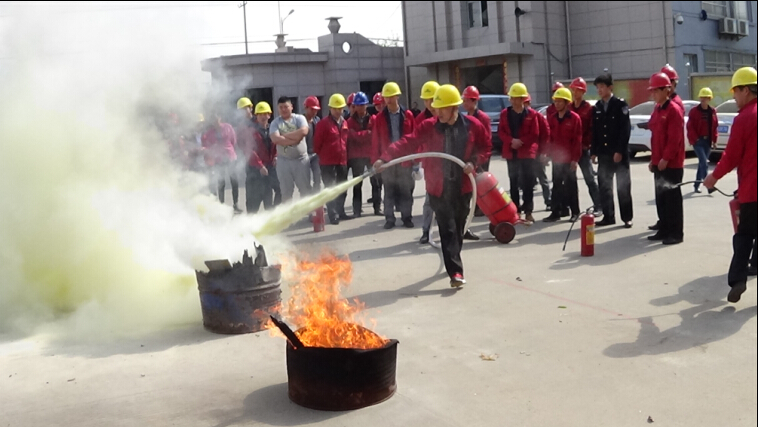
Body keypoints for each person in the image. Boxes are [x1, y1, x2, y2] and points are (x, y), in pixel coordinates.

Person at [373, 84, 491, 287]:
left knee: (459, 227)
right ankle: (455, 272)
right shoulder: (429, 126)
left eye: (442, 108)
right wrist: (385, 158)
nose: (437, 112)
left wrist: (474, 162)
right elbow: (408, 142)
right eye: (436, 108)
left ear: (454, 107)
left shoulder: (473, 126)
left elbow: (485, 147)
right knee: (447, 229)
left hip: (462, 186)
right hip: (438, 187)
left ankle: (454, 259)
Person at [704, 66, 757, 303]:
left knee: (744, 235)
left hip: (753, 191)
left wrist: (713, 177)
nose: (734, 96)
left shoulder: (745, 118)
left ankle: (738, 280)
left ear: (745, 90)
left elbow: (732, 156)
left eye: (735, 91)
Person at [590, 73, 633, 228]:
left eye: (602, 86)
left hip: (619, 153)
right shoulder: (597, 107)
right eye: (597, 87)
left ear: (610, 87)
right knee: (604, 186)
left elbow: (625, 130)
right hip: (604, 153)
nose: (599, 90)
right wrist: (593, 151)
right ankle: (608, 216)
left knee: (623, 187)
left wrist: (619, 151)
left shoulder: (620, 105)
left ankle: (627, 217)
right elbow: (595, 131)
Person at [371, 82, 416, 229]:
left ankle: (406, 217)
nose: (388, 100)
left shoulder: (408, 115)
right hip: (387, 160)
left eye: (391, 97)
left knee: (406, 190)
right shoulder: (380, 118)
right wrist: (376, 160)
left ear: (397, 96)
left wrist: (415, 159)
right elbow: (375, 140)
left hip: (404, 159)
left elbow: (414, 137)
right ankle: (389, 219)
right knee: (389, 190)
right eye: (386, 97)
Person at [647, 72, 685, 245]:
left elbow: (674, 139)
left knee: (672, 200)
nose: (653, 94)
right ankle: (664, 229)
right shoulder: (657, 109)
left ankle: (676, 233)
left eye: (656, 90)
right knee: (661, 198)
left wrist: (666, 158)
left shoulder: (673, 110)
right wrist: (653, 159)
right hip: (658, 161)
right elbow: (655, 136)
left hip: (672, 164)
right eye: (652, 90)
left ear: (666, 90)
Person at [498, 82, 542, 224]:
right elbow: (501, 132)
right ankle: (515, 211)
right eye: (512, 98)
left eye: (517, 98)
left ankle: (528, 211)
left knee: (528, 183)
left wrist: (521, 142)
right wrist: (511, 141)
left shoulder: (532, 115)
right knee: (514, 182)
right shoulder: (505, 114)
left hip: (526, 153)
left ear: (523, 99)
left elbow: (534, 134)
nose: (514, 101)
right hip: (511, 153)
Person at [543, 87, 582, 223]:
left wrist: (575, 159)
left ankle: (575, 212)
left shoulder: (574, 118)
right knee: (557, 185)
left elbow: (577, 141)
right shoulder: (552, 118)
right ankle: (556, 212)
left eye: (560, 101)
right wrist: (547, 154)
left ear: (567, 103)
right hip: (557, 159)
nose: (557, 104)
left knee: (571, 186)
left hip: (569, 158)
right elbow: (550, 138)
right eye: (556, 101)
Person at [314, 94, 350, 224]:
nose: (338, 111)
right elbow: (317, 144)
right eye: (335, 108)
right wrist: (325, 155)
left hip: (342, 161)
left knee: (342, 188)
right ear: (330, 108)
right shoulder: (323, 124)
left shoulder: (345, 123)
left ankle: (341, 211)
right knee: (330, 188)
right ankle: (333, 214)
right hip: (327, 163)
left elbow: (345, 141)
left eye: (340, 108)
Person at [568, 77, 602, 215]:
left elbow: (592, 129)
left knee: (589, 179)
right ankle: (574, 210)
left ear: (583, 92)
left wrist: (587, 145)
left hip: (583, 149)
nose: (575, 92)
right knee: (571, 181)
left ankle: (599, 206)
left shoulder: (588, 109)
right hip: (570, 150)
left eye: (578, 90)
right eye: (573, 90)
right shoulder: (569, 107)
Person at [270, 96, 312, 203]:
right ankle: (289, 213)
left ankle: (307, 210)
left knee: (305, 190)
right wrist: (295, 139)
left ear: (291, 107)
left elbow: (304, 131)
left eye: (286, 107)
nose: (283, 109)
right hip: (283, 161)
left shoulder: (299, 118)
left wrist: (284, 136)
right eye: (281, 107)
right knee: (286, 192)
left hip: (301, 160)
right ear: (277, 108)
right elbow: (275, 139)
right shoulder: (275, 123)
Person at [202, 106, 242, 213]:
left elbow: (233, 141)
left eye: (216, 118)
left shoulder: (228, 127)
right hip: (219, 160)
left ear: (220, 118)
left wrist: (228, 150)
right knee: (221, 182)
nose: (215, 120)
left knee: (234, 181)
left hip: (230, 157)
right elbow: (208, 146)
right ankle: (222, 205)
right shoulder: (209, 133)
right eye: (213, 119)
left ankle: (235, 204)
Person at [244, 102, 280, 213]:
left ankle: (272, 215)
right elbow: (250, 150)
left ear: (269, 115)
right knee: (254, 200)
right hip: (255, 169)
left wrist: (276, 156)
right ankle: (250, 221)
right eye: (260, 114)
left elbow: (277, 145)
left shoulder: (273, 130)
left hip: (269, 167)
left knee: (273, 194)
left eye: (265, 114)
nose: (263, 117)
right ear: (256, 116)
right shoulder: (251, 131)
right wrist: (260, 166)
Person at [416, 80, 440, 244]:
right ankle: (426, 230)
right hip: (431, 164)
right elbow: (415, 141)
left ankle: (461, 229)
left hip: (449, 164)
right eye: (426, 100)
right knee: (430, 198)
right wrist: (416, 163)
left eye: (432, 99)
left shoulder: (446, 114)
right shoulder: (420, 119)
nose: (429, 104)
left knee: (453, 199)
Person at [346, 91, 375, 217]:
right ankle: (357, 210)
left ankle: (377, 208)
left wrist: (358, 135)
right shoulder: (350, 121)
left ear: (366, 105)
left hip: (370, 154)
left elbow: (373, 135)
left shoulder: (373, 119)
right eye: (357, 105)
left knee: (375, 182)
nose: (360, 107)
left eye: (362, 105)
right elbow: (351, 136)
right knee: (357, 184)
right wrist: (366, 133)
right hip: (356, 156)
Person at [687, 87, 719, 193]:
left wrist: (714, 140)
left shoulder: (712, 111)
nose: (703, 100)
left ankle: (696, 185)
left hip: (707, 141)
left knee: (702, 164)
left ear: (709, 99)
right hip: (698, 141)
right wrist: (695, 139)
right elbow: (690, 127)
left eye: (705, 98)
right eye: (701, 97)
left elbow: (714, 126)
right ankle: (709, 186)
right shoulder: (694, 111)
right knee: (704, 163)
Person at [525, 94, 553, 213]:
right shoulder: (520, 117)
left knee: (542, 178)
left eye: (525, 103)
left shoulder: (537, 116)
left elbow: (546, 135)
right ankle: (526, 205)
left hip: (537, 153)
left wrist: (544, 152)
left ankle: (548, 201)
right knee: (526, 181)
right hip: (525, 154)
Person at [366, 92, 386, 211]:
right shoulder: (373, 118)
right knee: (376, 182)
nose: (380, 106)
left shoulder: (388, 117)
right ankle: (377, 206)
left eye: (381, 103)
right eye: (377, 105)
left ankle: (395, 204)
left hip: (387, 154)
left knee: (388, 182)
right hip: (374, 154)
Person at [303, 96, 322, 193]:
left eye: (316, 110)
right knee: (305, 181)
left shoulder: (317, 120)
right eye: (312, 109)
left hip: (315, 154)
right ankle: (308, 198)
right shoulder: (300, 121)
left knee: (317, 178)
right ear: (306, 108)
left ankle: (317, 198)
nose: (314, 112)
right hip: (304, 155)